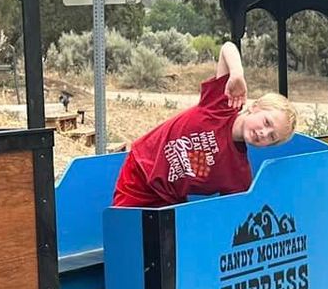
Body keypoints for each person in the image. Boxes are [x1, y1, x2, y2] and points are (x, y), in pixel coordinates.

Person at [112, 41, 297, 207]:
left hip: (170, 200)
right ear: (255, 107)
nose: (264, 133)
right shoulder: (222, 104)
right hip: (141, 171)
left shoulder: (238, 175)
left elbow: (235, 214)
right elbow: (228, 48)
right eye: (266, 122)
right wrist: (237, 74)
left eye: (272, 137)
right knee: (128, 235)